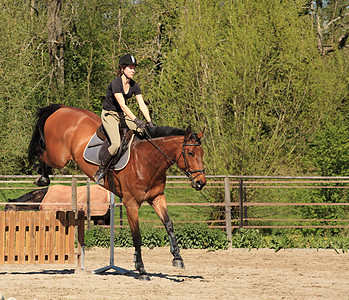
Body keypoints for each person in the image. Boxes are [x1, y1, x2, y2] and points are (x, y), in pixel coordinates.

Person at [93, 54, 154, 184]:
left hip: (122, 115)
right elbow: (123, 105)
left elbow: (142, 105)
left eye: (134, 68)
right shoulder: (116, 83)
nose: (133, 70)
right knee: (115, 144)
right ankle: (101, 170)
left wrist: (149, 122)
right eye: (130, 68)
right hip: (110, 115)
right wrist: (137, 120)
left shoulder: (134, 86)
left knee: (145, 132)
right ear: (122, 69)